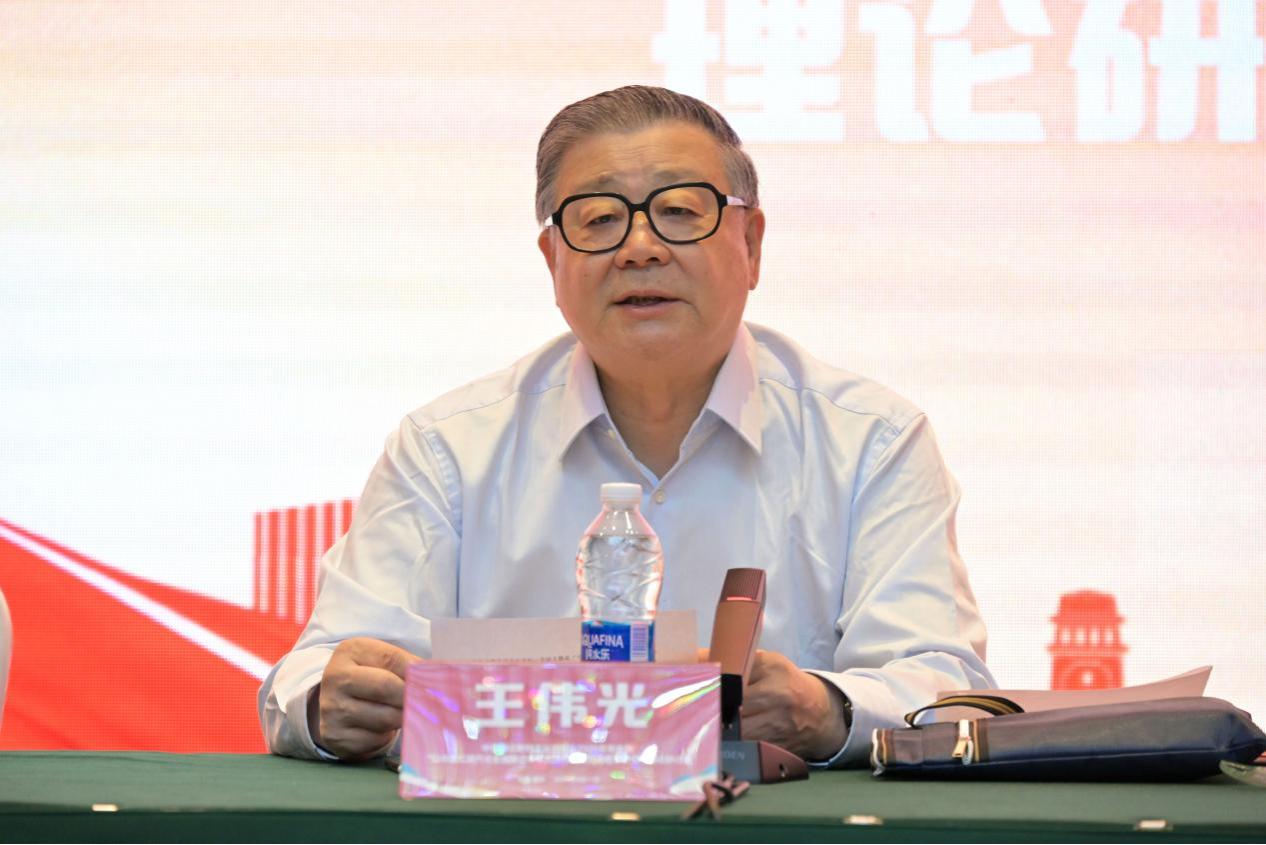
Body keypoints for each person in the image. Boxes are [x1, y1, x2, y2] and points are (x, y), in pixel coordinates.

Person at [258, 85, 994, 767]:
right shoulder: (448, 449)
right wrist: (330, 703)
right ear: (553, 258)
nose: (640, 247)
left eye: (680, 211)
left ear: (751, 244)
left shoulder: (870, 442)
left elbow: (944, 685)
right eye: (601, 219)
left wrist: (824, 708)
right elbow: (309, 675)